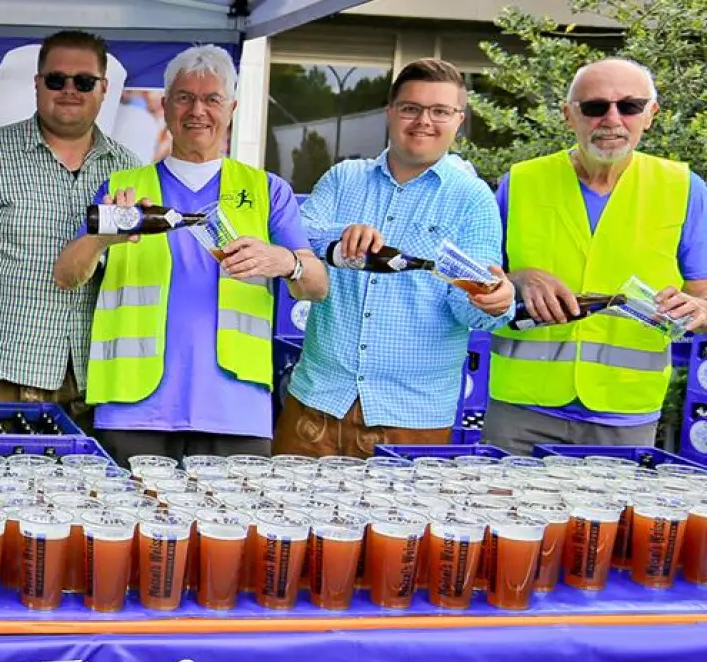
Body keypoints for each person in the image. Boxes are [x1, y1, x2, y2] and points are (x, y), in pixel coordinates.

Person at [54, 45, 327, 463]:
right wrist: (106, 236)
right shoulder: (125, 186)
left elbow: (316, 286)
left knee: (229, 531)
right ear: (165, 106)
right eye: (184, 97)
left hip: (236, 410)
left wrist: (285, 261)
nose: (197, 110)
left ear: (232, 107)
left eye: (212, 99)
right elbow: (66, 275)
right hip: (133, 408)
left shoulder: (267, 191)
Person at [277, 59, 514, 458]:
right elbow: (295, 238)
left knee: (390, 526)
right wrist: (342, 237)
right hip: (315, 403)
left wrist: (492, 300)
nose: (424, 121)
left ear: (459, 120)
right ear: (390, 112)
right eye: (411, 108)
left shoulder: (473, 200)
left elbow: (469, 307)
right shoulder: (343, 178)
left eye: (440, 111)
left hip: (410, 419)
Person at [487, 58, 707, 455]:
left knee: (606, 522)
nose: (612, 118)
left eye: (629, 106)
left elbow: (705, 297)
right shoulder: (519, 182)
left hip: (625, 415)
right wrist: (518, 278)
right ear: (568, 115)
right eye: (594, 107)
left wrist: (697, 309)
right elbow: (480, 280)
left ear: (651, 115)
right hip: (521, 410)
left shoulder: (685, 189)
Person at [0, 29, 141, 419]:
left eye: (84, 81)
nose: (69, 90)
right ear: (37, 85)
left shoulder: (130, 170)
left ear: (103, 89)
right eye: (57, 79)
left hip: (95, 381)